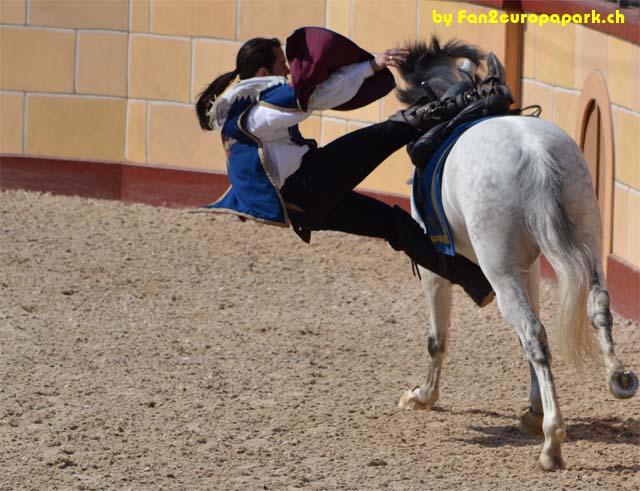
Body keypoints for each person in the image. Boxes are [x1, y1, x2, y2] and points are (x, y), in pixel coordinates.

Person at [195, 29, 496, 307]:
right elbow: (317, 94)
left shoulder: (240, 113)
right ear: (263, 73)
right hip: (311, 183)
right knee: (389, 131)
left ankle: (475, 281)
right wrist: (371, 66)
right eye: (282, 64)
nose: (288, 71)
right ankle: (472, 99)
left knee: (394, 225)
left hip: (303, 207)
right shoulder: (260, 112)